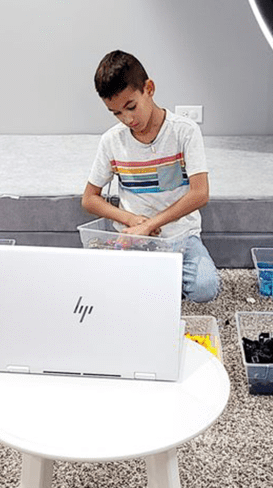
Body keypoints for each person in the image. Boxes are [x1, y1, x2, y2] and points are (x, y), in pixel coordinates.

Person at [82, 50, 220, 302]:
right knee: (104, 288)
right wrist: (132, 220)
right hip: (133, 240)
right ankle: (157, 281)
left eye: (131, 107)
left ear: (149, 88)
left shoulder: (184, 132)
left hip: (181, 237)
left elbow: (200, 193)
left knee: (205, 289)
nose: (128, 119)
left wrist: (150, 225)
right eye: (116, 113)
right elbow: (89, 199)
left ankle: (157, 280)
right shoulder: (112, 141)